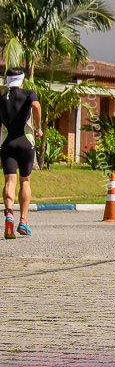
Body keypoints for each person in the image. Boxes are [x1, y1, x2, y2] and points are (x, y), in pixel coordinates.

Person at [0, 68, 41, 239]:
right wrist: (38, 128)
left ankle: (9, 213)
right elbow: (36, 106)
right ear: (22, 81)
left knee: (10, 180)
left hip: (7, 143)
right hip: (26, 143)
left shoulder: (1, 99)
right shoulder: (29, 94)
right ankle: (23, 221)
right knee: (25, 181)